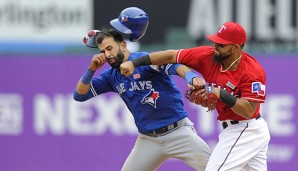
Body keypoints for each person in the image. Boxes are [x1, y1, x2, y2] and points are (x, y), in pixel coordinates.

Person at [120, 21, 271, 171]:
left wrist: (220, 93)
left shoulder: (252, 71)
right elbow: (171, 55)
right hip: (234, 128)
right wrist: (135, 63)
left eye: (221, 45)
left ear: (236, 47)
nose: (215, 47)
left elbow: (248, 111)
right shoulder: (207, 56)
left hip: (246, 129)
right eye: (216, 42)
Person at [74, 7, 211, 171]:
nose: (106, 54)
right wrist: (91, 70)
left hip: (178, 132)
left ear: (123, 46)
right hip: (149, 139)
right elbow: (79, 95)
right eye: (103, 51)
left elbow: (175, 66)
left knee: (215, 168)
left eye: (109, 48)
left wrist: (191, 77)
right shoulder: (111, 76)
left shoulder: (143, 61)